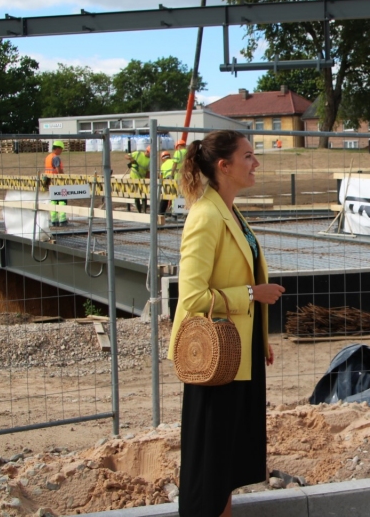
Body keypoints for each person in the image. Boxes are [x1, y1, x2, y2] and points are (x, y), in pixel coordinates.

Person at [169, 130, 286, 517]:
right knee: (211, 461)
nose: (256, 163)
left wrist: (259, 339)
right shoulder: (205, 216)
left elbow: (241, 270)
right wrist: (253, 296)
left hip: (240, 353)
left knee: (226, 459)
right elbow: (192, 298)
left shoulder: (229, 210)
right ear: (225, 166)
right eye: (249, 156)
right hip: (216, 360)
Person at [44, 140, 68, 227]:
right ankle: (62, 219)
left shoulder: (48, 157)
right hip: (57, 182)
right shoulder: (55, 158)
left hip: (50, 182)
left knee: (53, 201)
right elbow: (58, 170)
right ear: (57, 149)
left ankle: (54, 220)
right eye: (61, 149)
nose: (61, 151)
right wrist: (63, 178)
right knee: (62, 200)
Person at [126, 144, 151, 213]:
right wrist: (132, 160)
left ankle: (144, 211)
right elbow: (127, 156)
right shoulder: (138, 154)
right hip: (133, 178)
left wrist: (147, 180)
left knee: (144, 196)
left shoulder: (149, 161)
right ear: (147, 151)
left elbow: (147, 172)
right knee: (136, 196)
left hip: (142, 180)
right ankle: (139, 211)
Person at [159, 150, 175, 215]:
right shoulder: (173, 161)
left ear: (162, 158)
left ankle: (161, 212)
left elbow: (161, 176)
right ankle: (175, 212)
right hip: (175, 179)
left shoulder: (163, 165)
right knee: (176, 197)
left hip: (167, 180)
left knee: (165, 198)